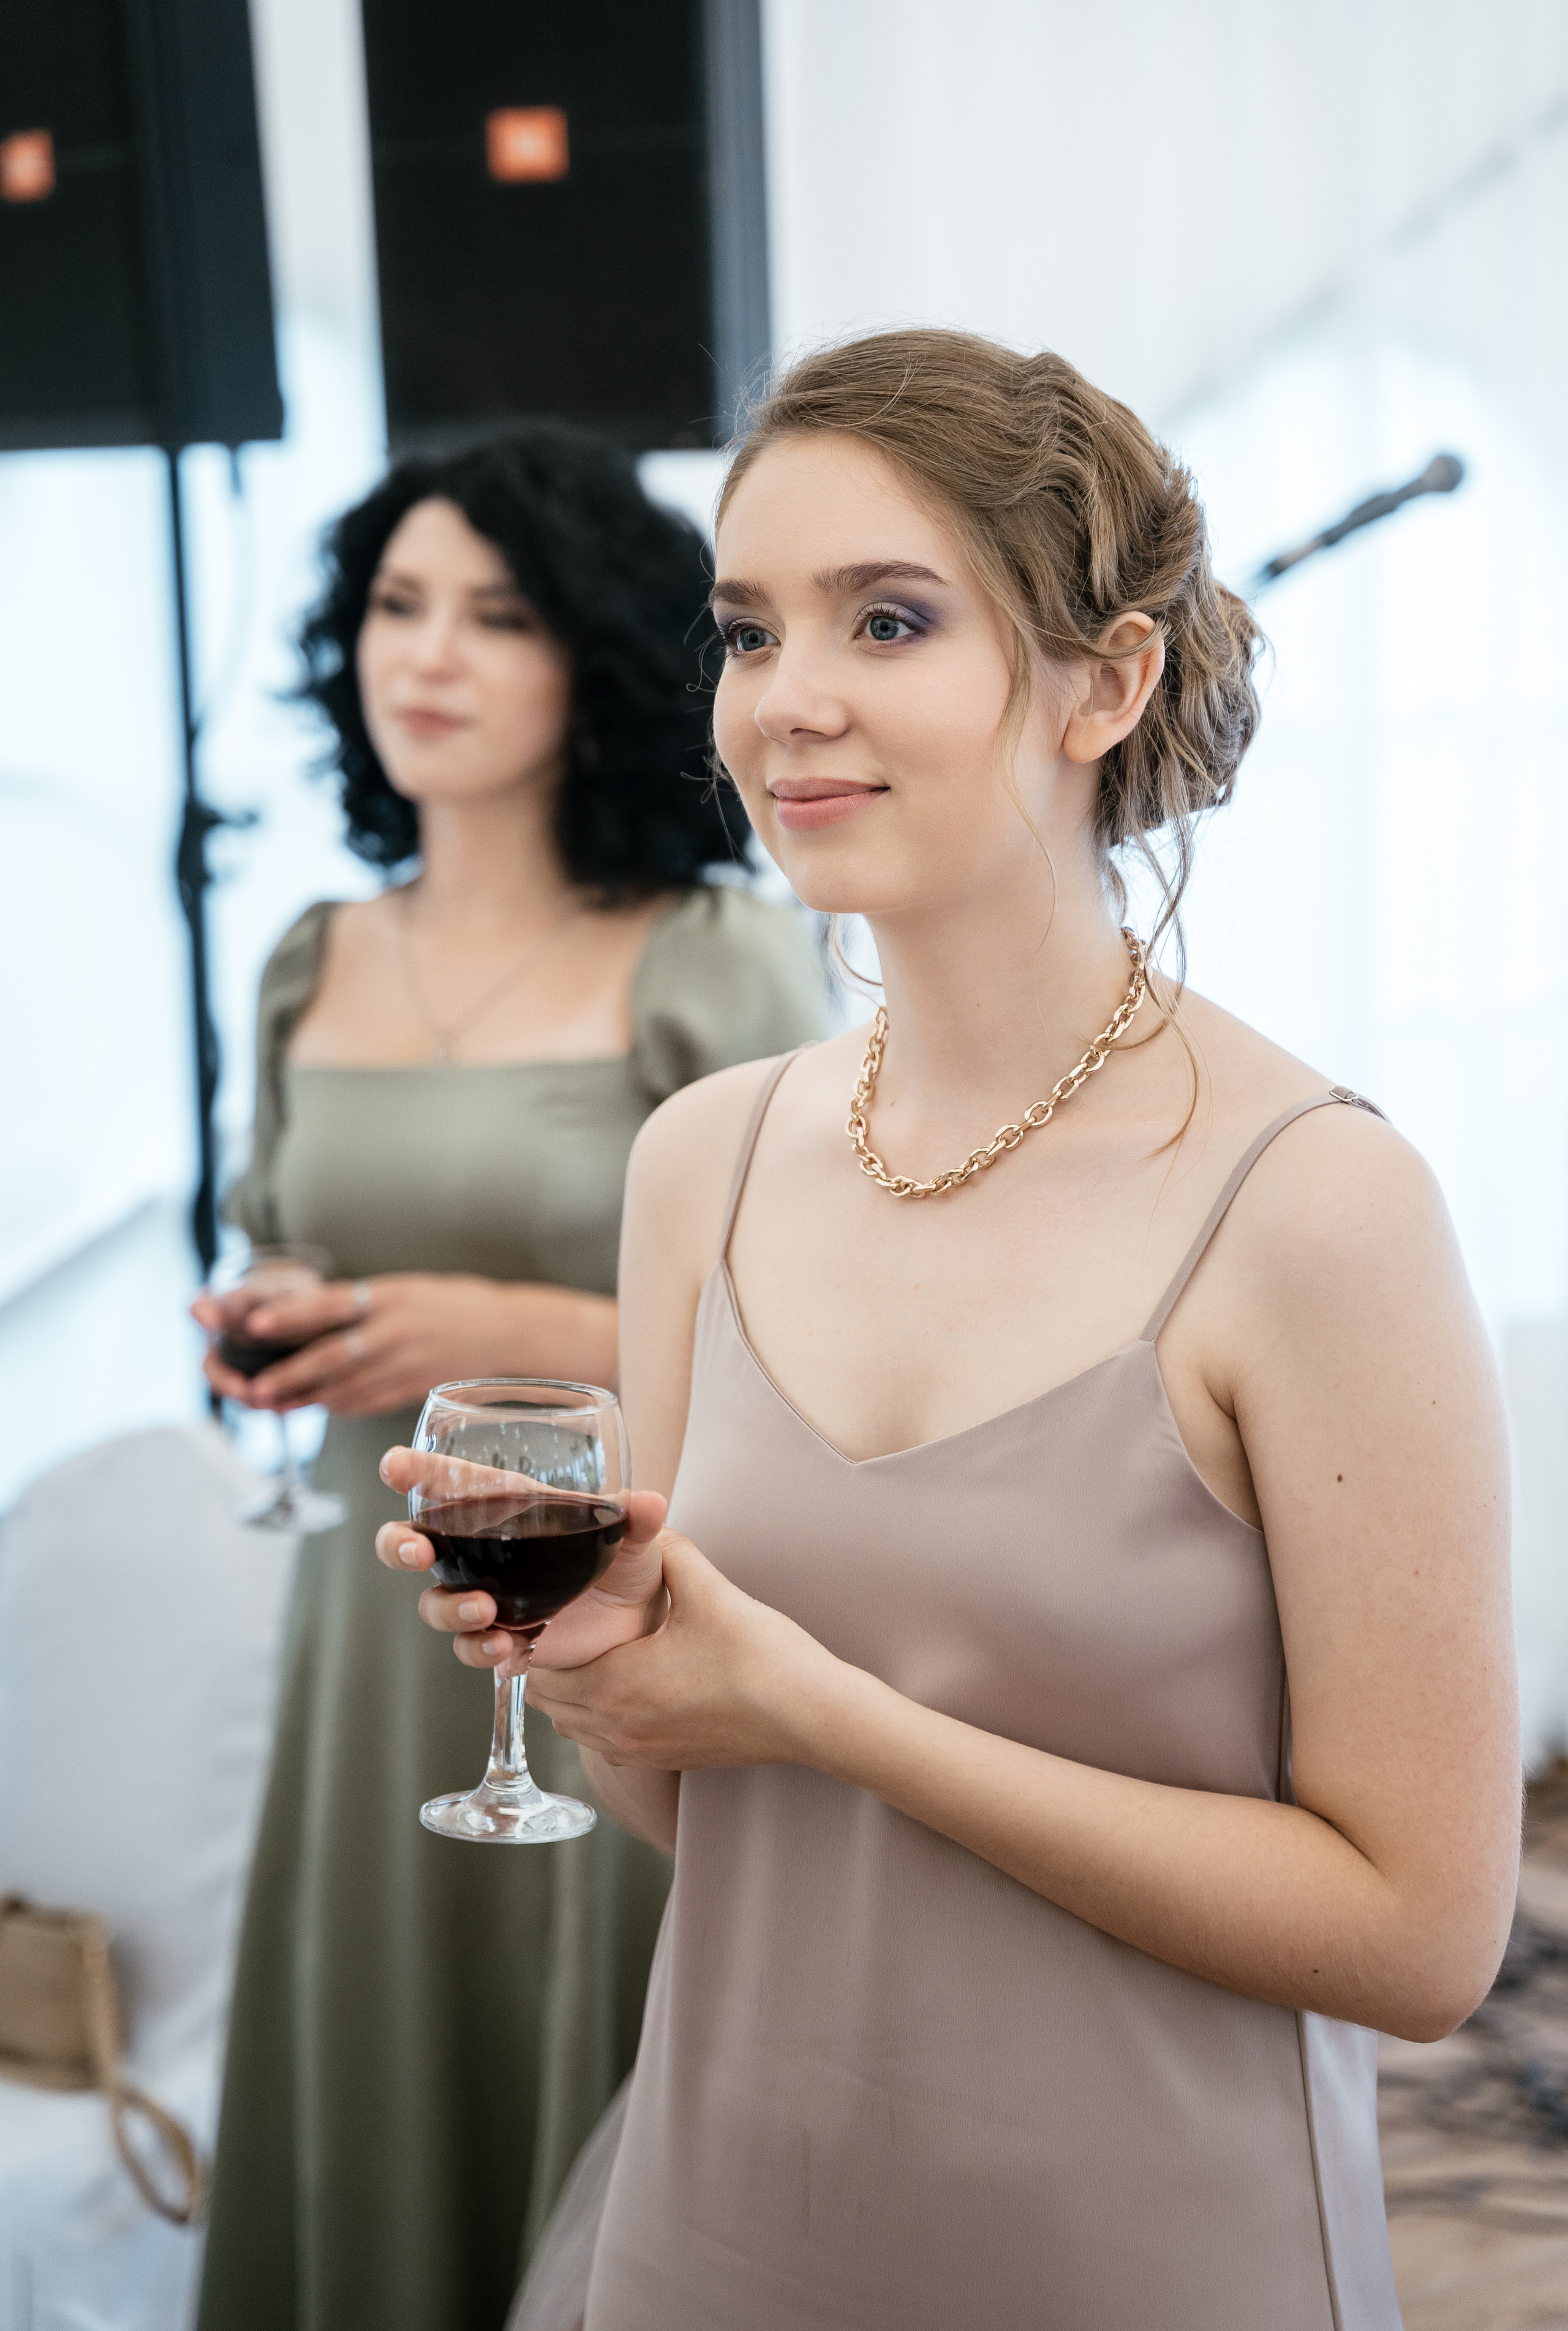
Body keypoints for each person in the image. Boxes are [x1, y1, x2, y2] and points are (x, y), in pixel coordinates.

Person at [383, 333, 1521, 2331]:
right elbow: (692, 1805)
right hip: (714, 2232)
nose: (786, 702)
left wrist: (824, 1708)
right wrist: (598, 1662)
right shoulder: (704, 1162)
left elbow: (1424, 1939)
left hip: (1144, 2258)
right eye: (747, 632)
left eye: (888, 619)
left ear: (1110, 678)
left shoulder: (1316, 1207)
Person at [195, 426, 830, 2331]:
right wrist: (291, 1314)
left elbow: (808, 1326)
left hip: (602, 1583)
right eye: (396, 607)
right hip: (366, 1606)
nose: (430, 657)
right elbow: (283, 1234)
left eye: (498, 613)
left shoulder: (710, 955)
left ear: (599, 662)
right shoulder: (312, 956)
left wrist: (493, 1330)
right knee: (381, 2019)